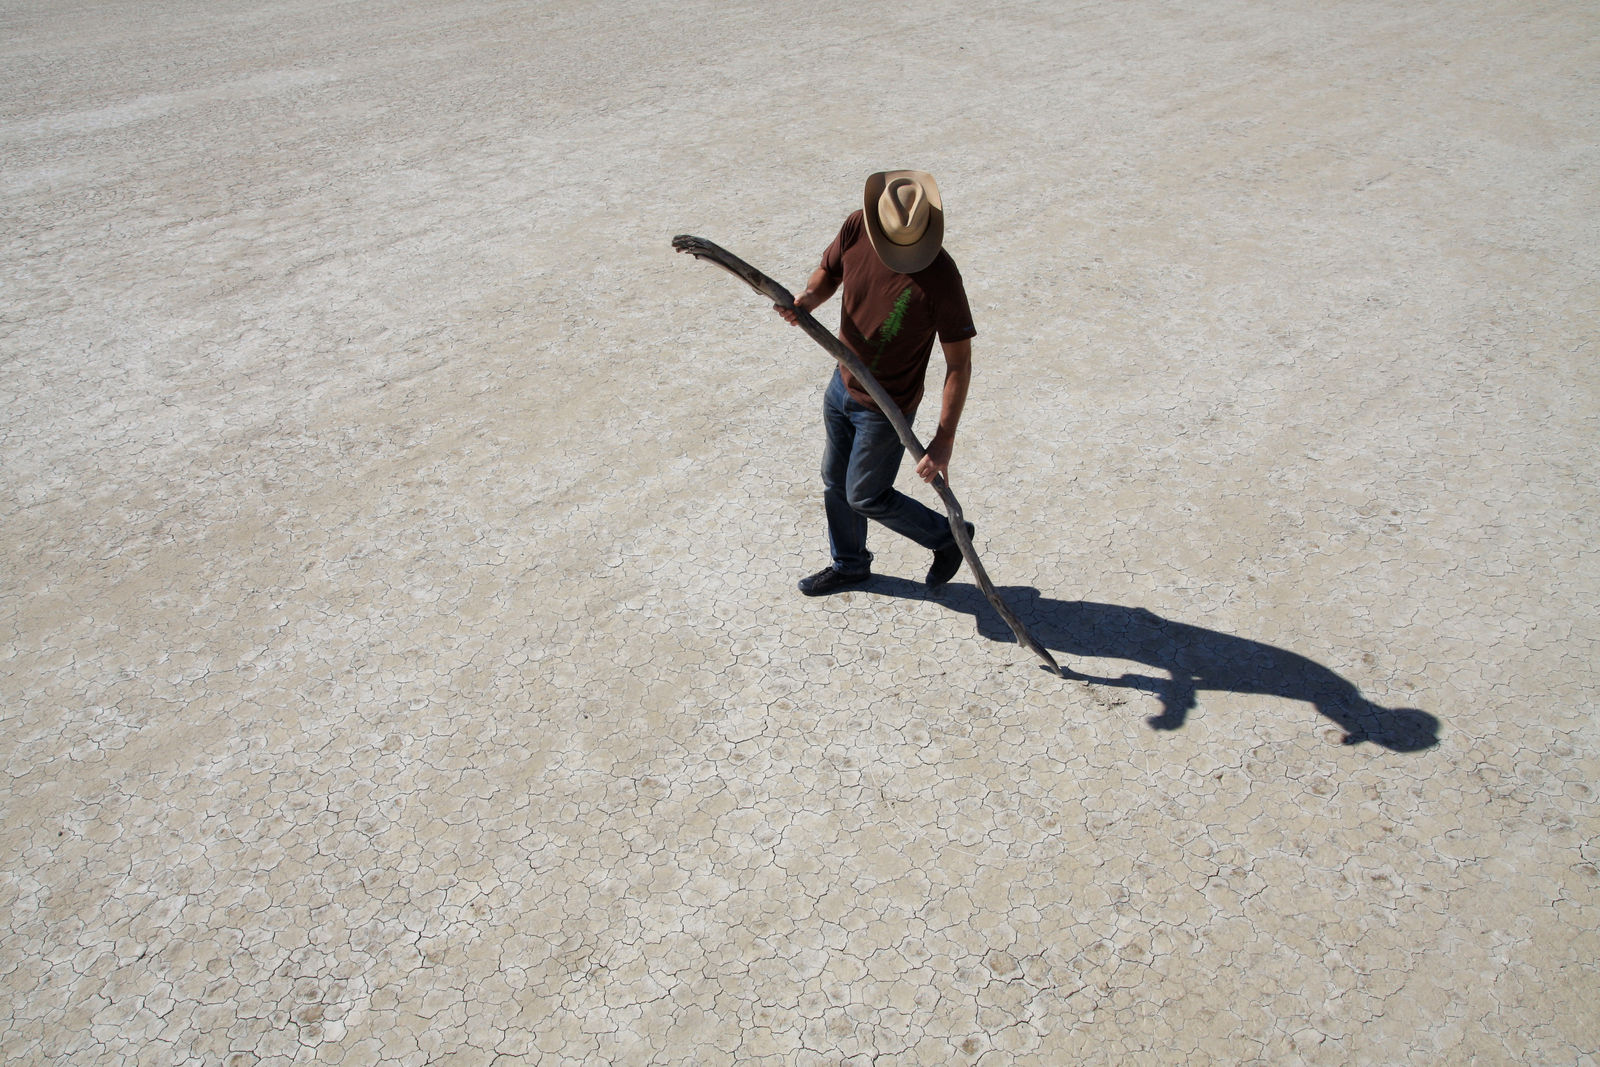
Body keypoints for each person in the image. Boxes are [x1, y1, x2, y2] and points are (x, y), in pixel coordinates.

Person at [777, 170, 978, 596]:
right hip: (841, 385)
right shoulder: (857, 226)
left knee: (865, 495)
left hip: (887, 407)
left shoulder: (941, 277)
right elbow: (828, 272)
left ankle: (947, 537)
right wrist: (808, 300)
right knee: (835, 481)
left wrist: (944, 440)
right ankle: (849, 565)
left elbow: (959, 364)